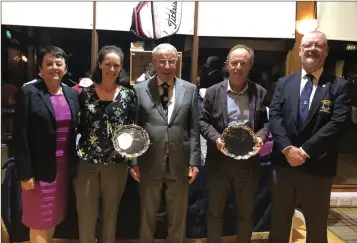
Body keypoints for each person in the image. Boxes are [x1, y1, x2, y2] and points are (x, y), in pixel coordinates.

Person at [268, 31, 352, 243]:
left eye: (319, 45)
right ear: (300, 50)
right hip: (284, 166)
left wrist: (305, 151)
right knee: (279, 224)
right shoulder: (284, 83)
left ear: (325, 52)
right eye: (308, 45)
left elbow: (338, 123)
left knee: (316, 228)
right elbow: (275, 117)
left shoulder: (339, 86)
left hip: (318, 167)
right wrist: (287, 149)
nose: (313, 49)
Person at [130, 43, 200, 243]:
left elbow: (194, 128)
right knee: (147, 213)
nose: (167, 65)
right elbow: (135, 128)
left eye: (171, 61)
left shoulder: (190, 89)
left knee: (178, 215)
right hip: (148, 160)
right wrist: (133, 161)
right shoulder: (139, 89)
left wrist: (194, 161)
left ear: (177, 61)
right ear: (153, 62)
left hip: (180, 159)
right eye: (162, 61)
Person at [199, 44, 269, 243]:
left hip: (248, 164)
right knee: (214, 213)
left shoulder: (260, 93)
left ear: (250, 66)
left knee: (245, 214)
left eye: (243, 63)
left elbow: (267, 123)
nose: (238, 67)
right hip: (218, 162)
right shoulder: (212, 93)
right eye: (235, 62)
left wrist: (261, 138)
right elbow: (202, 121)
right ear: (227, 65)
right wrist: (216, 139)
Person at [12, 45, 79, 243]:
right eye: (48, 63)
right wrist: (25, 172)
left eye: (59, 63)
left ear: (65, 68)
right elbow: (20, 135)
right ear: (40, 69)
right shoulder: (29, 92)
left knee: (53, 218)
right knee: (38, 220)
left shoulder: (72, 94)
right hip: (38, 171)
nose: (54, 67)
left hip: (63, 168)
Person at [75, 45, 137, 243]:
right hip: (87, 162)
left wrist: (132, 157)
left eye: (116, 65)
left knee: (111, 216)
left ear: (121, 69)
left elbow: (133, 129)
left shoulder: (129, 95)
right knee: (86, 215)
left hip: (116, 163)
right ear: (100, 64)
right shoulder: (85, 94)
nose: (111, 69)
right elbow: (79, 126)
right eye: (108, 64)